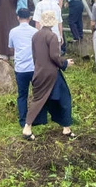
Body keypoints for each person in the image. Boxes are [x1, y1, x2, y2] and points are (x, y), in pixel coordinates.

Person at [21, 11, 75, 140]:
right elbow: (54, 56)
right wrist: (65, 63)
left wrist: (38, 68)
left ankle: (28, 127)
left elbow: (34, 56)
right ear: (53, 22)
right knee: (64, 98)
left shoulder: (35, 36)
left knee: (39, 99)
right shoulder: (52, 36)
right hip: (52, 74)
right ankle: (65, 127)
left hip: (39, 72)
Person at [8, 9, 47, 128]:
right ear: (30, 18)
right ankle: (40, 118)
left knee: (22, 95)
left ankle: (23, 119)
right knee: (38, 93)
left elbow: (11, 48)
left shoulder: (13, 32)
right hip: (34, 67)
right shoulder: (35, 31)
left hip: (20, 68)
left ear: (17, 18)